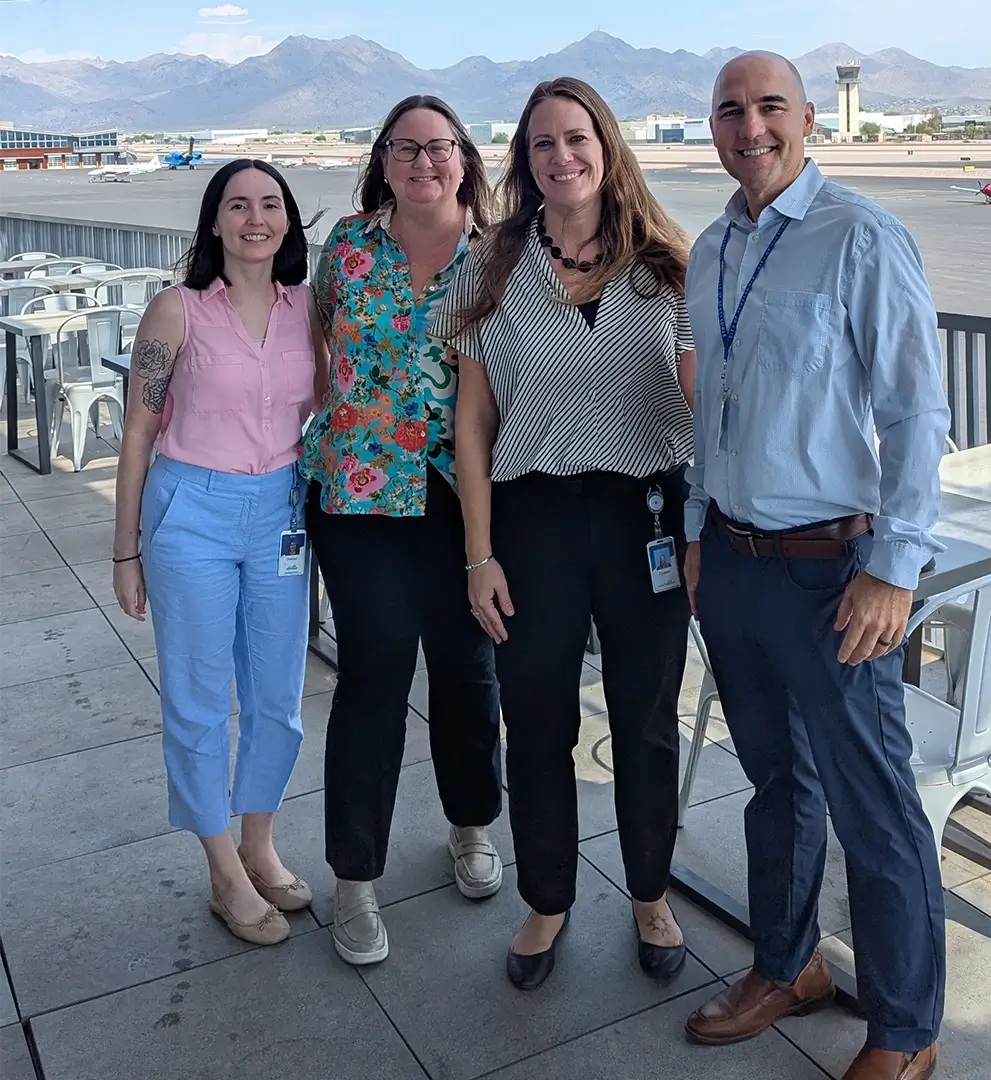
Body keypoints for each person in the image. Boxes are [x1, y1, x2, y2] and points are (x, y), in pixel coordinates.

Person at [680, 53, 950, 1080]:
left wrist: (896, 565)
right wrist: (701, 533)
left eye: (770, 108)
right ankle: (787, 967)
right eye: (730, 110)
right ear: (712, 127)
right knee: (775, 785)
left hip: (836, 571)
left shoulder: (862, 237)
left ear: (808, 121)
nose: (751, 127)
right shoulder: (711, 250)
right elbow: (713, 414)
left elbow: (915, 411)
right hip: (738, 566)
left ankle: (904, 1027)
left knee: (872, 802)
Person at [432, 75, 695, 991]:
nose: (562, 156)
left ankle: (650, 896)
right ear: (524, 161)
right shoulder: (489, 267)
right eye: (542, 143)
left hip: (645, 517)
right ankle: (548, 901)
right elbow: (471, 424)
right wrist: (479, 553)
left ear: (606, 144)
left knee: (646, 721)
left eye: (576, 137)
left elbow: (712, 399)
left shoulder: (668, 264)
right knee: (535, 721)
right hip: (532, 521)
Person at [300, 95, 504, 967]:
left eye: (441, 147)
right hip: (360, 497)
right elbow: (311, 353)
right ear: (382, 161)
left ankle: (468, 824)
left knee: (467, 667)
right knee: (375, 675)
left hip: (465, 501)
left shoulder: (502, 255)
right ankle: (355, 875)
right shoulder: (346, 248)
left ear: (465, 160)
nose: (425, 161)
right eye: (407, 148)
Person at [112, 159, 325, 946]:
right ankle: (221, 868)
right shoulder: (176, 312)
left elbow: (335, 402)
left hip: (279, 512)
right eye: (238, 205)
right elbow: (138, 429)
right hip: (190, 512)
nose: (255, 218)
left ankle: (259, 843)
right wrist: (124, 549)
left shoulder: (311, 308)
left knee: (276, 693)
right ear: (214, 222)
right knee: (200, 700)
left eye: (271, 204)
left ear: (289, 222)